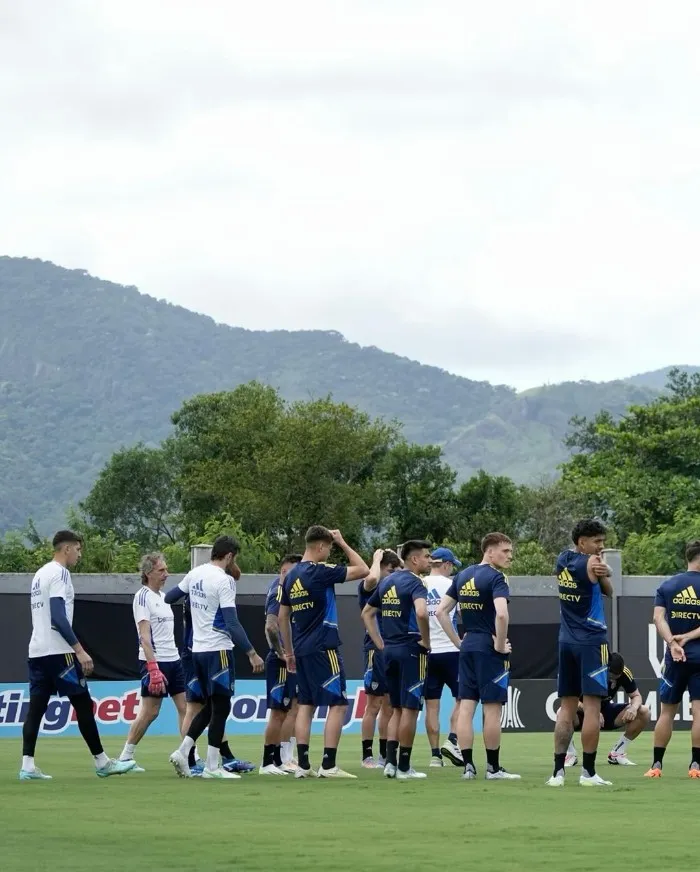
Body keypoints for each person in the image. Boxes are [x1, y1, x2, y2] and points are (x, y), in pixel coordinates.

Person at [20, 530, 136, 780]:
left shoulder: (40, 574)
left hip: (37, 650)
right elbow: (58, 616)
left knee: (36, 708)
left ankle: (27, 765)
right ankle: (103, 762)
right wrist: (80, 651)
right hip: (59, 652)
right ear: (67, 549)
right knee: (83, 704)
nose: (79, 555)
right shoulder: (60, 573)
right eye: (78, 549)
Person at [166, 536, 264, 780]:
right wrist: (251, 652)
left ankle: (183, 750)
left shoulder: (195, 573)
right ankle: (212, 766)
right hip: (218, 649)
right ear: (229, 556)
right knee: (221, 706)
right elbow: (231, 622)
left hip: (197, 651)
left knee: (209, 706)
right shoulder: (224, 581)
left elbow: (169, 597)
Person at [278, 526, 369, 779]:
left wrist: (289, 651)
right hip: (324, 645)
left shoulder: (291, 576)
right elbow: (363, 570)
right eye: (328, 547)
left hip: (302, 649)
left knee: (305, 704)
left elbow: (283, 617)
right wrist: (342, 541)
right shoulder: (320, 571)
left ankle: (304, 765)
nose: (329, 552)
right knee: (338, 704)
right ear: (320, 547)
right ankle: (328, 765)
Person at [436, 532, 520, 781]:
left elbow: (441, 611)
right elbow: (502, 615)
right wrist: (499, 643)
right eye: (505, 551)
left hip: (469, 644)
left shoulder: (463, 575)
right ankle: (493, 769)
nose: (509, 556)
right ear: (490, 551)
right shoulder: (496, 578)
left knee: (465, 708)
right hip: (488, 647)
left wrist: (458, 642)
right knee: (492, 710)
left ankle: (468, 767)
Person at [547, 519, 613, 788]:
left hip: (567, 640)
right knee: (593, 707)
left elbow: (604, 586)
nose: (601, 546)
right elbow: (610, 591)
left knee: (567, 707)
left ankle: (557, 772)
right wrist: (603, 572)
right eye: (596, 541)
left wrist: (602, 571)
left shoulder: (562, 559)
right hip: (592, 641)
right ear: (582, 542)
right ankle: (588, 772)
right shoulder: (592, 564)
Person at [363, 539, 432, 780]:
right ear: (414, 559)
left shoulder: (388, 581)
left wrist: (380, 643)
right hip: (411, 649)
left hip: (389, 651)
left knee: (394, 709)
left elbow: (367, 613)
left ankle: (390, 764)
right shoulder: (416, 583)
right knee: (410, 709)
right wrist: (426, 640)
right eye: (426, 556)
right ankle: (404, 766)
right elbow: (422, 612)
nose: (429, 560)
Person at [118, 552, 186, 771]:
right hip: (156, 662)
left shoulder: (164, 598)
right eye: (161, 570)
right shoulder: (143, 596)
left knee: (186, 708)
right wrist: (153, 668)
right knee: (150, 711)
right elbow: (144, 636)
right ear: (148, 573)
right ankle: (126, 756)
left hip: (174, 659)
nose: (166, 574)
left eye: (166, 569)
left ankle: (188, 756)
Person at [644, 540, 700, 778]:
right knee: (699, 713)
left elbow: (658, 618)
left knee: (666, 712)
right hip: (699, 658)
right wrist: (687, 638)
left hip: (674, 658)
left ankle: (656, 765)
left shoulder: (668, 585)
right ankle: (696, 766)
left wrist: (672, 643)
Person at [565, 652, 650, 767]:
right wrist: (591, 712)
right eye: (610, 677)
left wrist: (634, 708)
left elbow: (636, 696)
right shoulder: (589, 671)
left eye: (617, 678)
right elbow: (573, 701)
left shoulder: (625, 673)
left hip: (605, 713)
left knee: (644, 712)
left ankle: (617, 753)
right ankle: (570, 755)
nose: (613, 681)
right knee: (562, 713)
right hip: (583, 713)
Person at [358, 548, 402, 769]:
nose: (394, 574)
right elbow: (373, 576)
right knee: (373, 705)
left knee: (390, 706)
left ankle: (385, 754)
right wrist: (376, 559)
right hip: (375, 650)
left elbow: (407, 572)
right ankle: (367, 754)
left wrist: (398, 559)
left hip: (394, 648)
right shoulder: (370, 587)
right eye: (390, 570)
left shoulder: (395, 588)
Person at [260, 553, 302, 775]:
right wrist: (282, 653)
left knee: (292, 709)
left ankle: (283, 757)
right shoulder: (278, 590)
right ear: (284, 571)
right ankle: (267, 761)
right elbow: (271, 626)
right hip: (280, 661)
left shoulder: (288, 590)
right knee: (279, 712)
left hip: (290, 659)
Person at [424, 547, 463, 768]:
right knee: (463, 699)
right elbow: (460, 614)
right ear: (446, 564)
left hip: (428, 652)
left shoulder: (421, 583)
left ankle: (435, 756)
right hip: (451, 650)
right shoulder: (452, 585)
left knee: (432, 706)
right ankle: (453, 739)